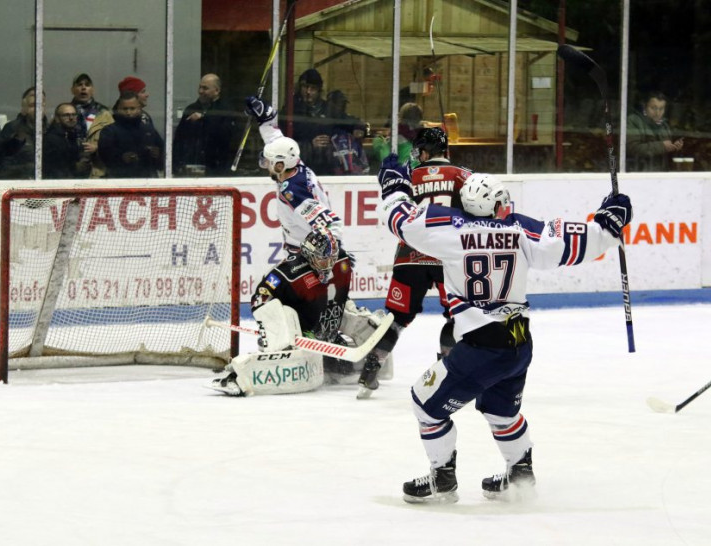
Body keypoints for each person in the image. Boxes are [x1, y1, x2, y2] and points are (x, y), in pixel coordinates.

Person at [374, 153, 632, 504]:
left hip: (480, 347)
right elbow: (576, 242)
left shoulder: (446, 229)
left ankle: (442, 479)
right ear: (496, 205)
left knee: (425, 403)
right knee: (501, 411)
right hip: (518, 343)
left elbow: (399, 218)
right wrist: (608, 222)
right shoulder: (520, 230)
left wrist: (394, 185)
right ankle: (519, 473)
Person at [357, 127, 471, 399]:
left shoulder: (409, 175)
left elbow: (393, 200)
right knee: (456, 316)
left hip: (410, 256)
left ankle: (369, 373)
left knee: (397, 318)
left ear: (422, 151)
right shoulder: (465, 176)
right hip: (448, 257)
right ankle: (445, 372)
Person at [209, 226, 388, 396]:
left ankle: (337, 346)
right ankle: (248, 368)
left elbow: (334, 294)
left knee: (348, 350)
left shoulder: (341, 261)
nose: (329, 264)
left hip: (325, 336)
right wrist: (276, 329)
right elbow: (259, 300)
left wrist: (349, 309)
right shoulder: (288, 272)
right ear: (309, 255)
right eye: (323, 259)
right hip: (300, 339)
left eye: (331, 258)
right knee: (284, 312)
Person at [243, 95, 344, 255]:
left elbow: (331, 225)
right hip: (301, 253)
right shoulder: (294, 165)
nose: (265, 165)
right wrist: (264, 116)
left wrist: (332, 256)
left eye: (268, 162)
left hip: (307, 258)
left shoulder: (293, 190)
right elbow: (276, 139)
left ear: (279, 165)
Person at [172, 73, 236, 177]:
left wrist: (205, 119)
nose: (200, 91)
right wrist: (176, 165)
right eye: (200, 87)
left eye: (205, 88)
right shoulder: (191, 109)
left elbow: (227, 136)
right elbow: (179, 138)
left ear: (217, 91)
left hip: (216, 167)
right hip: (192, 165)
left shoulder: (225, 110)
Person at [97, 91, 164, 178]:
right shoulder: (109, 131)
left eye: (132, 108)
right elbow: (104, 155)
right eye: (124, 109)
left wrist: (157, 154)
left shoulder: (149, 130)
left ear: (139, 109)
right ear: (118, 109)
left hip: (147, 180)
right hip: (120, 180)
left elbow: (164, 154)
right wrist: (121, 157)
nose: (128, 112)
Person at [284, 68, 332, 175]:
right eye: (305, 87)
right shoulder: (291, 109)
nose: (308, 92)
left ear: (319, 90)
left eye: (313, 88)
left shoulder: (327, 108)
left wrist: (357, 128)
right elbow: (284, 141)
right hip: (299, 168)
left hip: (325, 168)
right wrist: (310, 144)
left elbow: (344, 121)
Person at [0, 87, 45, 179]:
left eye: (41, 105)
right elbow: (3, 160)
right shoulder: (13, 128)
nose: (37, 109)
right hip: (18, 180)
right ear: (24, 106)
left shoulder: (49, 129)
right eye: (32, 105)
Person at [627, 90, 684, 172]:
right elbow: (632, 149)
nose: (658, 113)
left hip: (661, 174)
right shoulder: (634, 121)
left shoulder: (664, 125)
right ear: (645, 106)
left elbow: (666, 154)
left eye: (661, 109)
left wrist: (674, 147)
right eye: (653, 108)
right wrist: (662, 146)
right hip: (640, 173)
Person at [324, 89, 370, 175]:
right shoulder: (324, 119)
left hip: (347, 160)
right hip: (329, 159)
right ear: (331, 104)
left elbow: (361, 125)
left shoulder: (345, 118)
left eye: (343, 104)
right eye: (340, 104)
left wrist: (360, 129)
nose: (343, 107)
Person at [43, 103, 90, 179]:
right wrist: (75, 167)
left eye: (74, 114)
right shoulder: (51, 139)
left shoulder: (72, 136)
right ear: (57, 118)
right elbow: (53, 168)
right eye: (66, 115)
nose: (71, 118)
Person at [70, 73, 108, 154]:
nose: (83, 88)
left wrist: (98, 147)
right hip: (72, 160)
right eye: (79, 85)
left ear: (93, 90)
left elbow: (113, 140)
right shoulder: (65, 112)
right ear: (72, 90)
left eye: (87, 85)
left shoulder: (104, 112)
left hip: (97, 162)